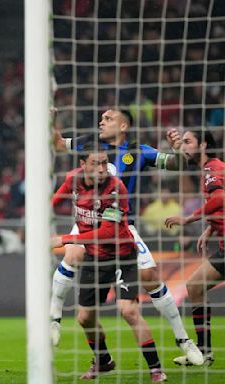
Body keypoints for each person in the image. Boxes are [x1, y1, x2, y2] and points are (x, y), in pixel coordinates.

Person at [50, 108, 203, 365]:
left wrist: (176, 149)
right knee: (73, 252)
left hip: (122, 226)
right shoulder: (90, 145)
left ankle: (184, 340)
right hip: (88, 222)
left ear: (123, 126)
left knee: (150, 277)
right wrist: (51, 118)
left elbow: (177, 164)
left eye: (109, 119)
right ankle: (54, 319)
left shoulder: (138, 151)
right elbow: (57, 143)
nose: (102, 121)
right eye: (102, 118)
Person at [51, 142, 167, 382]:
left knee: (128, 311)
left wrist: (64, 239)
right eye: (96, 163)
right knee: (84, 318)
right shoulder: (73, 180)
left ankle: (155, 368)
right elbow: (54, 200)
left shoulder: (115, 188)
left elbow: (107, 233)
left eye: (105, 162)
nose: (103, 168)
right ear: (83, 166)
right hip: (95, 259)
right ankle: (103, 361)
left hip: (122, 256)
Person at [165, 129, 223, 366]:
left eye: (188, 142)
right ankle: (205, 351)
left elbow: (220, 199)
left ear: (203, 145)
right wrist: (210, 228)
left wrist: (189, 219)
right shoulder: (209, 169)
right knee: (195, 287)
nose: (184, 146)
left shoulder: (212, 168)